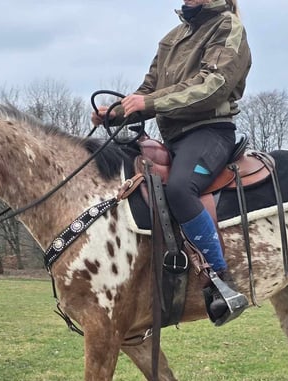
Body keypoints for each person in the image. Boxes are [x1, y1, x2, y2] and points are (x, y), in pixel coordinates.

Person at [93, 0, 251, 324]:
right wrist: (115, 114)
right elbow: (148, 90)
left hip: (210, 132)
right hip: (173, 138)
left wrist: (150, 101)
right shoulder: (171, 38)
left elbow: (213, 85)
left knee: (180, 189)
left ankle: (220, 280)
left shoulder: (227, 26)